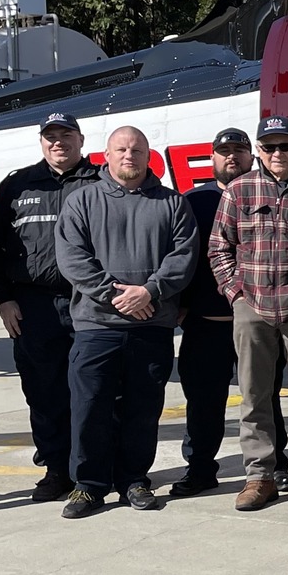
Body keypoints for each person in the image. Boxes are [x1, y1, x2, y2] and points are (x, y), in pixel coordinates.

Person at [53, 126, 199, 517]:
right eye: (121, 149)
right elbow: (72, 259)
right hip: (96, 326)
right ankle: (88, 486)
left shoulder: (172, 204)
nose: (128, 156)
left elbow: (183, 257)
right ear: (107, 154)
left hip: (151, 326)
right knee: (89, 407)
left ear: (149, 156)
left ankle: (134, 480)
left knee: (143, 409)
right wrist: (116, 296)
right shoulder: (82, 201)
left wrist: (149, 291)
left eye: (136, 150)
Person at [209, 114, 288, 513]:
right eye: (269, 146)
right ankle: (259, 476)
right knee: (253, 395)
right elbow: (219, 247)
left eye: (284, 145)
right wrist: (235, 295)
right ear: (259, 151)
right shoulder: (239, 190)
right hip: (252, 305)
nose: (277, 153)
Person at [0, 111, 98, 502]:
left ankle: (97, 469)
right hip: (33, 306)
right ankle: (56, 470)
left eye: (66, 135)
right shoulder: (18, 185)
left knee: (98, 390)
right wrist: (3, 297)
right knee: (43, 391)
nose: (58, 142)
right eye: (51, 136)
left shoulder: (103, 182)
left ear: (81, 140)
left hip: (91, 302)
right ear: (41, 142)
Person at [170, 128, 254, 498]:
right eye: (224, 151)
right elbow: (178, 257)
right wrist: (179, 304)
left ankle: (275, 469)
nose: (231, 156)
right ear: (212, 158)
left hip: (258, 323)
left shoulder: (264, 194)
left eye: (239, 150)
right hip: (206, 324)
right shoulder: (193, 201)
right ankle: (200, 468)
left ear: (251, 157)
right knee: (203, 403)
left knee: (263, 399)